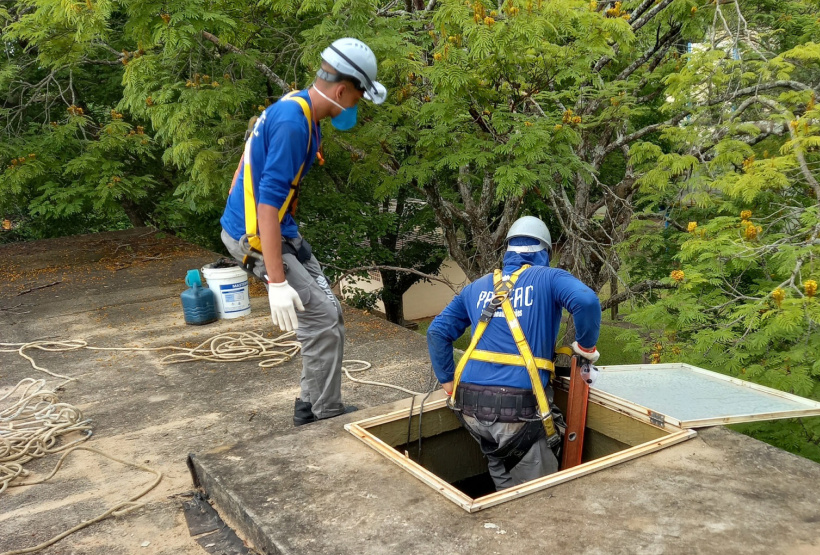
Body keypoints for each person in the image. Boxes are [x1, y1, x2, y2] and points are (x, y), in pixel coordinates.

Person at [220, 38, 387, 426]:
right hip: (255, 235)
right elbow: (265, 203)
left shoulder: (300, 109)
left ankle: (309, 403)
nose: (355, 107)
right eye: (358, 98)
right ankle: (323, 414)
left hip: (280, 230)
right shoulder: (295, 123)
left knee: (328, 315)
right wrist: (277, 282)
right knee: (322, 319)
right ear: (342, 90)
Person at [426, 216, 601, 490]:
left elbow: (437, 332)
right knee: (536, 497)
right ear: (545, 251)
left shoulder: (477, 287)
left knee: (503, 484)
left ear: (507, 250)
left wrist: (448, 382)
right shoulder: (549, 277)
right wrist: (586, 347)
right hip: (517, 413)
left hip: (470, 408)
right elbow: (587, 301)